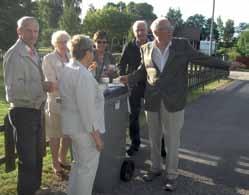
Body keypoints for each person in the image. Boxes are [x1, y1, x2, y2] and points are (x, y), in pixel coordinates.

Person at [120, 17, 244, 191]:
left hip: (174, 101)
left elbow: (202, 59)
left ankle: (171, 175)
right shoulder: (145, 48)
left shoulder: (182, 45)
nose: (171, 31)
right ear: (156, 32)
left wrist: (227, 65)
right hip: (152, 101)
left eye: (170, 29)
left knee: (172, 141)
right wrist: (128, 78)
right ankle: (155, 169)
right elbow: (143, 71)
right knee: (154, 139)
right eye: (167, 29)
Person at [3, 16, 52, 195]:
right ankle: (27, 192)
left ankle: (36, 189)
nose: (33, 34)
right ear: (19, 31)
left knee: (38, 155)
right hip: (23, 112)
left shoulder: (31, 50)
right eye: (28, 30)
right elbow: (13, 90)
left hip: (35, 109)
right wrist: (43, 86)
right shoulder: (15, 54)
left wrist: (42, 87)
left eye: (36, 31)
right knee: (28, 160)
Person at [59, 34, 104, 195]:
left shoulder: (68, 68)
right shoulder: (82, 74)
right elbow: (87, 111)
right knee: (87, 171)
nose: (94, 52)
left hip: (72, 127)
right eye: (92, 49)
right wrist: (97, 138)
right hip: (84, 130)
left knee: (78, 165)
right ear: (86, 53)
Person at [42, 30, 71, 179]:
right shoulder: (49, 58)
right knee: (55, 135)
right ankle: (55, 164)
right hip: (55, 102)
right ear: (54, 43)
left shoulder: (70, 57)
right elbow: (52, 84)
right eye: (60, 42)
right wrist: (72, 82)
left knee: (67, 133)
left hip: (70, 102)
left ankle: (62, 159)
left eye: (66, 41)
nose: (64, 45)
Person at [118, 20, 148, 156]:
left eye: (142, 29)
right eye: (138, 30)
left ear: (147, 30)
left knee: (156, 117)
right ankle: (135, 144)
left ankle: (160, 146)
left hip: (150, 86)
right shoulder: (129, 46)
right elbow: (121, 64)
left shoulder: (154, 44)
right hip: (134, 86)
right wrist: (123, 77)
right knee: (133, 117)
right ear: (134, 32)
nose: (140, 32)